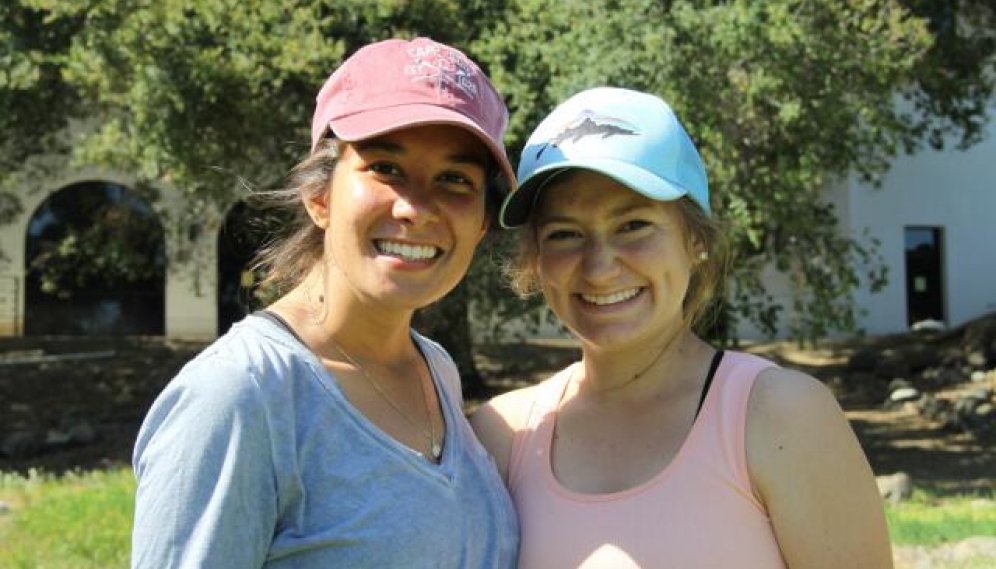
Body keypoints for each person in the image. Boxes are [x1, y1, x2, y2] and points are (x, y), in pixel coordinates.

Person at [132, 37, 519, 568]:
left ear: (479, 224)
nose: (415, 208)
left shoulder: (437, 370)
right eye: (385, 167)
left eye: (455, 179)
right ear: (319, 197)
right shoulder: (242, 396)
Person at [472, 87, 893, 569]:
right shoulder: (501, 437)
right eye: (564, 234)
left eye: (633, 225)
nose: (600, 267)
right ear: (537, 260)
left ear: (694, 238)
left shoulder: (781, 416)